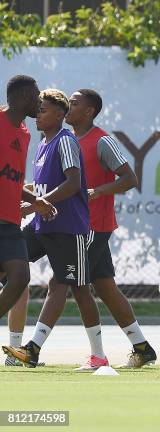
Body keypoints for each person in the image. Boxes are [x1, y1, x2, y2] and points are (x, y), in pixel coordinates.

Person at [64, 88, 157, 368]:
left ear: (89, 112)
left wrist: (97, 191)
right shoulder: (67, 139)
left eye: (75, 103)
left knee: (72, 284)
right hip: (81, 225)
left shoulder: (102, 140)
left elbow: (130, 178)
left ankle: (94, 357)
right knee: (104, 287)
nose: (69, 106)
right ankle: (142, 348)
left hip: (95, 226)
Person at [2, 89, 95, 369]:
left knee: (76, 289)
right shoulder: (41, 143)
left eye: (43, 110)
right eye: (37, 109)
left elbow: (73, 183)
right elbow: (39, 187)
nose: (37, 114)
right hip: (42, 224)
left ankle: (99, 354)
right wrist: (30, 199)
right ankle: (17, 349)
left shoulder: (65, 141)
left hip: (68, 227)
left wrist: (33, 205)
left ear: (60, 114)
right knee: (14, 271)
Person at [1, 76, 57, 355]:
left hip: (9, 222)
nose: (39, 101)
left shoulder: (24, 132)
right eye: (37, 96)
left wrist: (37, 201)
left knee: (20, 276)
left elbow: (12, 180)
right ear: (24, 95)